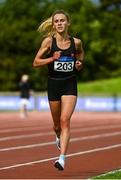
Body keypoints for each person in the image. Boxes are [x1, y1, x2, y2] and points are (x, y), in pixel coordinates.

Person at [33, 9, 84, 170]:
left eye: (62, 20)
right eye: (56, 21)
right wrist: (51, 58)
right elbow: (35, 62)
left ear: (68, 22)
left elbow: (81, 54)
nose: (59, 23)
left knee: (65, 121)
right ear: (53, 25)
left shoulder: (76, 42)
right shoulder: (48, 42)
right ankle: (57, 135)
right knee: (56, 125)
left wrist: (79, 63)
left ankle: (62, 158)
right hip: (54, 84)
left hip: (70, 83)